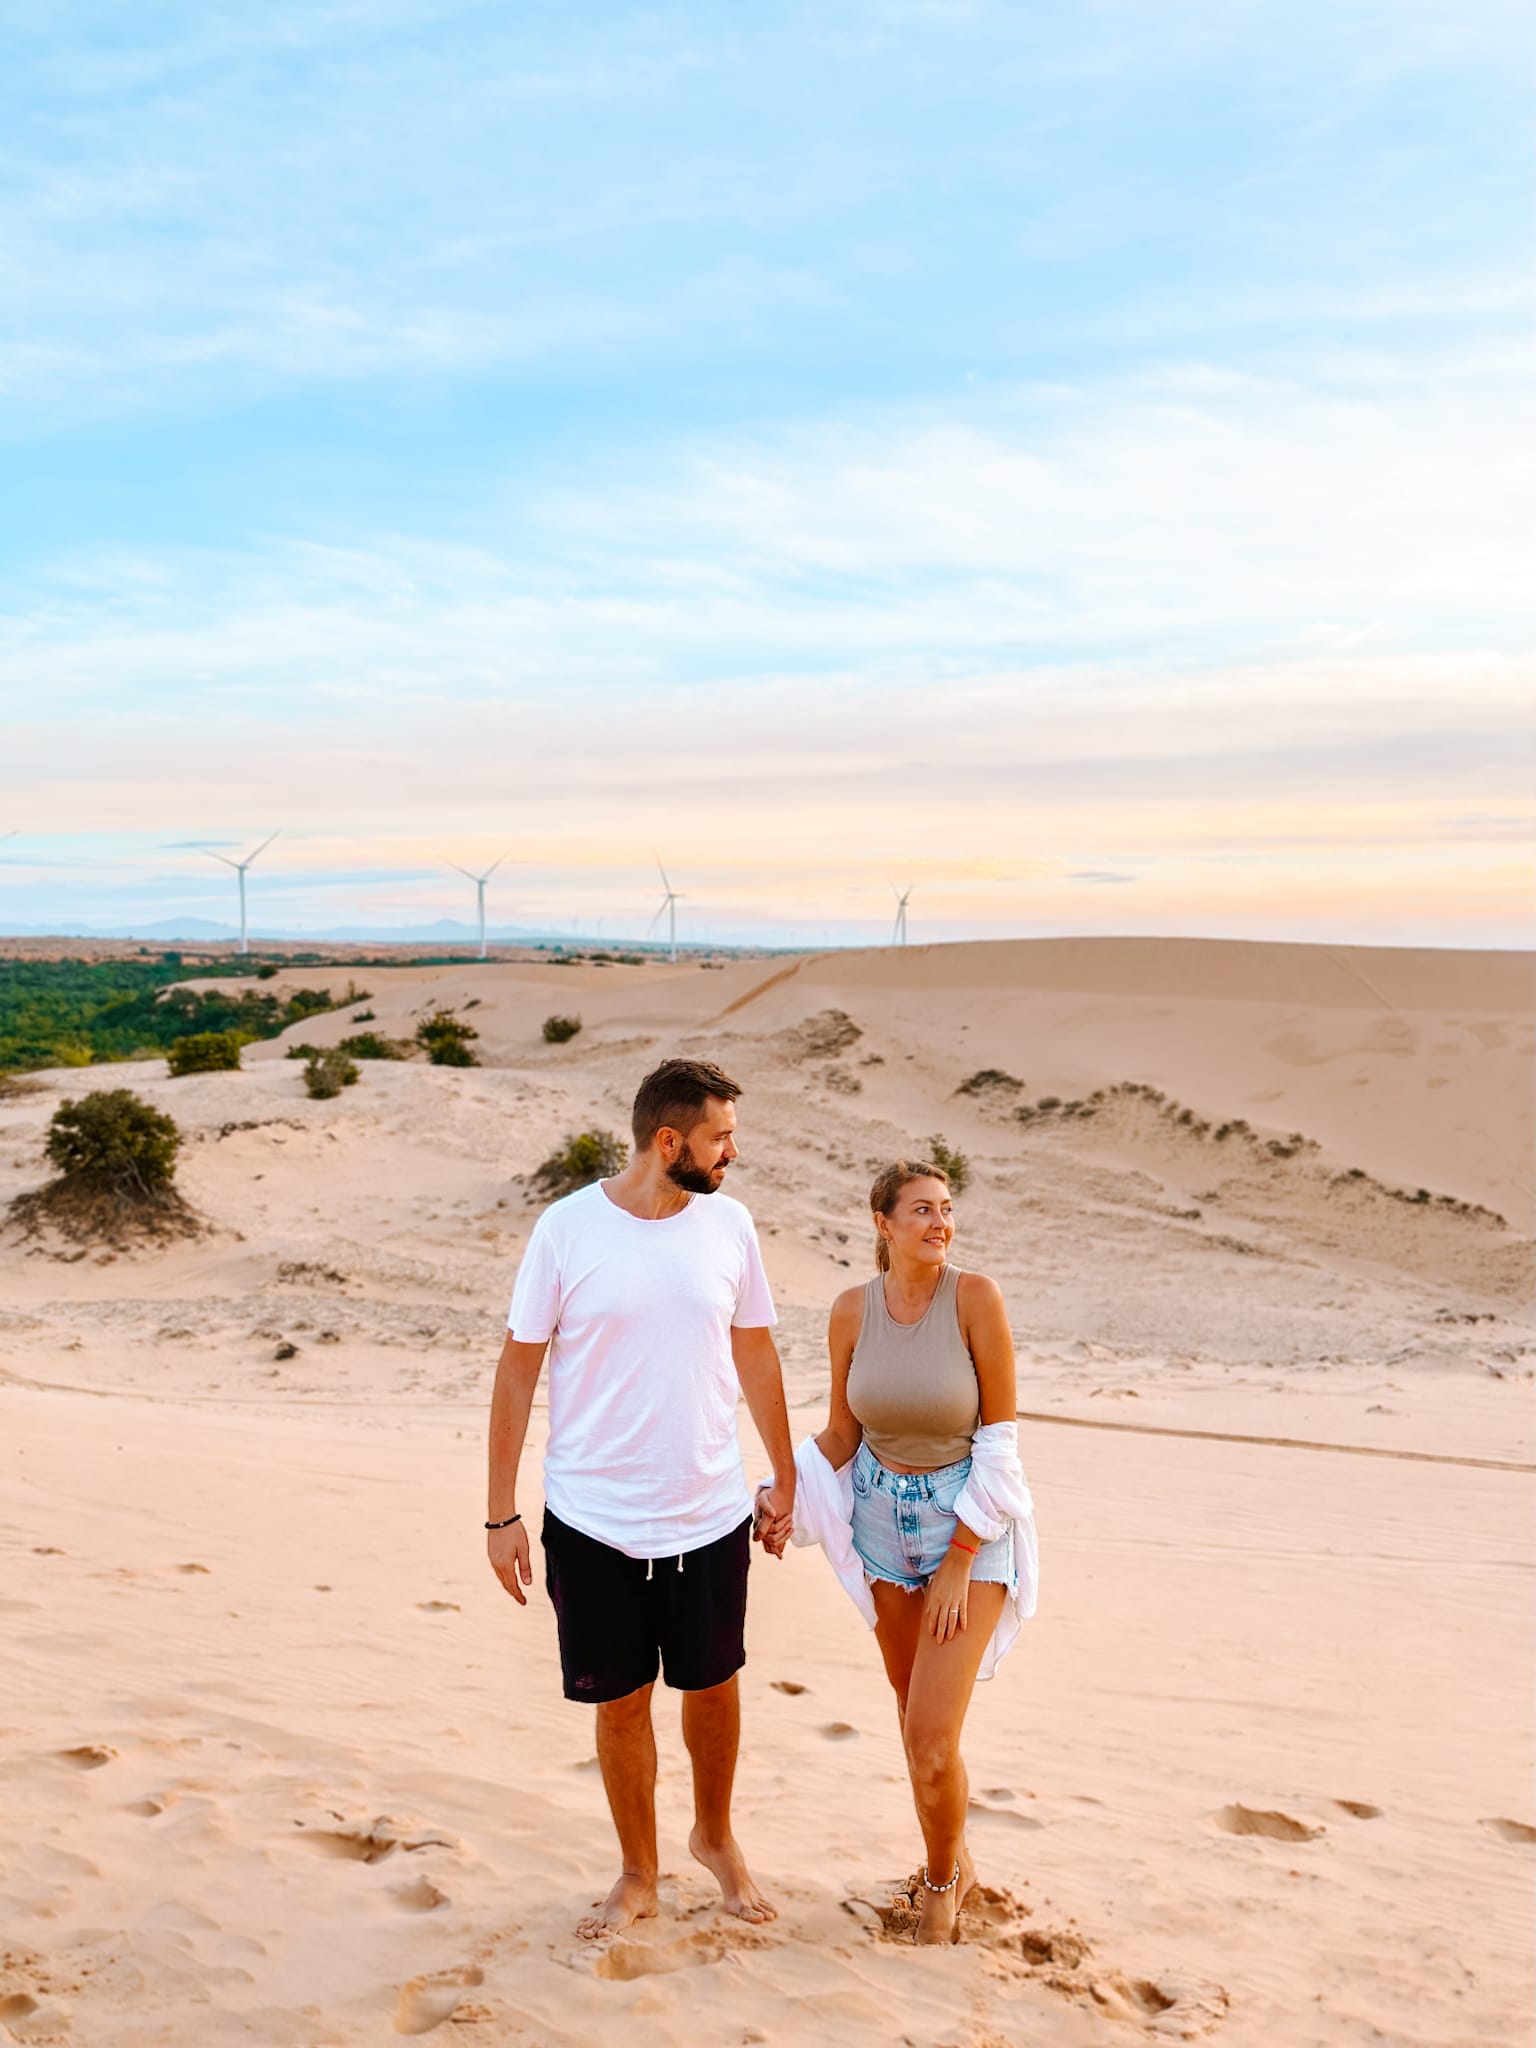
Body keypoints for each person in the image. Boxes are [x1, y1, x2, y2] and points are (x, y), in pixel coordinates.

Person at [486, 1057, 796, 1941]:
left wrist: (784, 1473)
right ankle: (638, 1869)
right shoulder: (566, 1230)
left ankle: (716, 1836)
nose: (732, 1152)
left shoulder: (730, 1226)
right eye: (719, 1137)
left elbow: (758, 1352)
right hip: (592, 1520)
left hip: (709, 1507)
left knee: (715, 1685)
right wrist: (501, 1513)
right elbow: (517, 1373)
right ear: (670, 1142)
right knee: (621, 1702)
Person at [758, 1158, 1038, 1945]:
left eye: (946, 1210)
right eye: (920, 1211)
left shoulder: (975, 1298)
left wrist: (958, 1558)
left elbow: (1001, 1442)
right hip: (882, 1529)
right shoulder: (852, 1311)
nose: (940, 1224)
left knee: (929, 1738)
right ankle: (957, 1855)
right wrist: (783, 1491)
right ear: (883, 1224)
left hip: (969, 1530)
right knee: (914, 1720)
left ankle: (943, 1886)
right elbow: (844, 1433)